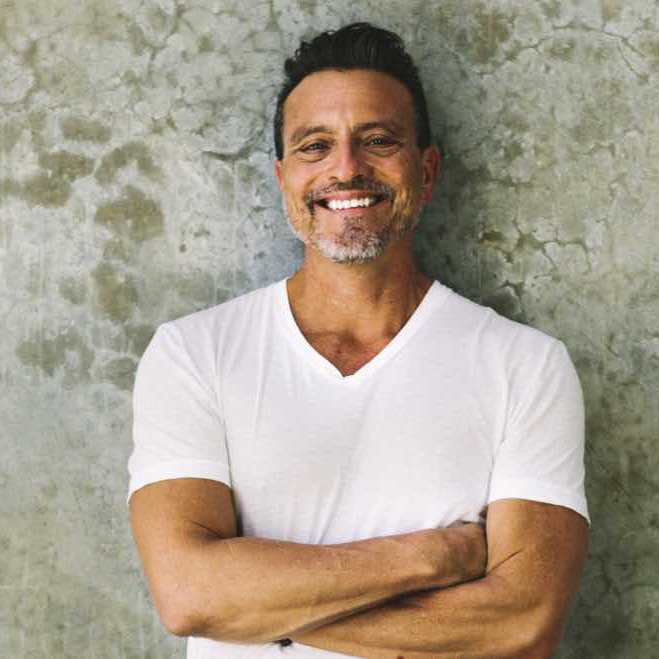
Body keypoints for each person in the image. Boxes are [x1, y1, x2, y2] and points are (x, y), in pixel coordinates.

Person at [128, 23, 589, 658]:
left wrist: (251, 605)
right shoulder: (193, 354)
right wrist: (432, 556)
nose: (346, 169)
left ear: (427, 170)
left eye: (378, 141)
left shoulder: (525, 366)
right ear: (283, 177)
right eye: (315, 146)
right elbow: (187, 595)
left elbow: (523, 626)